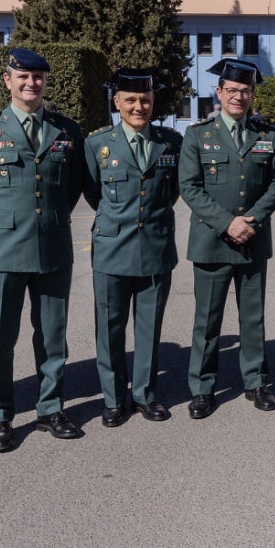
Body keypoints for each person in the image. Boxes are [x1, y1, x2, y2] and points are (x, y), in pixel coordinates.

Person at [0, 47, 87, 453]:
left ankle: (50, 408)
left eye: (39, 77)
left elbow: (74, 184)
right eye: (23, 77)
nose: (32, 83)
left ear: (46, 81)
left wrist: (47, 219)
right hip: (1, 249)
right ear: (7, 81)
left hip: (51, 247)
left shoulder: (66, 130)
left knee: (52, 335)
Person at [179, 58, 275, 417]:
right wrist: (227, 223)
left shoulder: (268, 135)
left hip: (253, 239)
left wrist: (252, 219)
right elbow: (190, 188)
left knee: (252, 319)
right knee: (207, 322)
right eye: (233, 91)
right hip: (212, 242)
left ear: (252, 95)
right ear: (219, 93)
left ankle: (256, 383)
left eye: (246, 91)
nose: (239, 97)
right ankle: (203, 388)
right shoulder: (197, 135)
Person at [82, 71, 182, 426]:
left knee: (148, 327)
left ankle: (145, 394)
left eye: (145, 100)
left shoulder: (170, 142)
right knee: (109, 328)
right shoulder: (97, 145)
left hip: (155, 247)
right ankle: (112, 398)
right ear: (117, 103)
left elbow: (171, 193)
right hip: (112, 249)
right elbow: (94, 195)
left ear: (153, 103)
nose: (138, 107)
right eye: (131, 100)